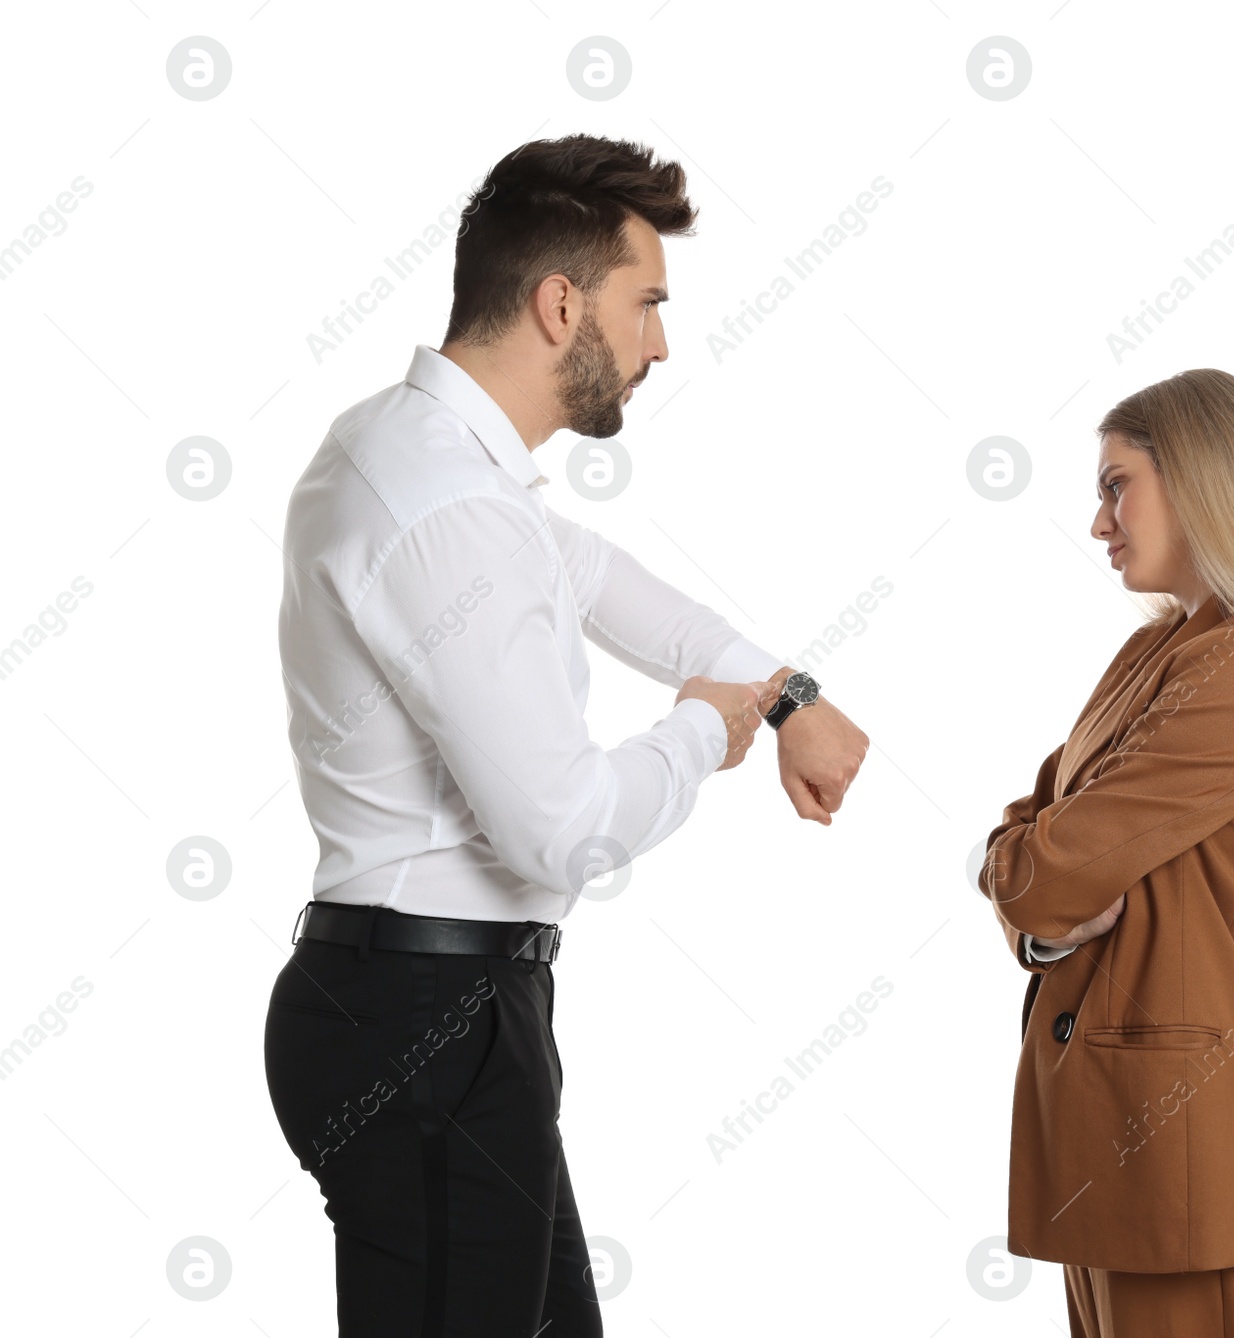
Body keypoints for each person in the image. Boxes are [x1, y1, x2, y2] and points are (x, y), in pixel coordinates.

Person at [264, 133, 869, 1336]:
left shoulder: (419, 455)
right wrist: (706, 729)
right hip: (428, 1021)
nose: (658, 344)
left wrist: (786, 692)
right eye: (644, 304)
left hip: (437, 1010)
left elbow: (601, 581)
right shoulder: (450, 514)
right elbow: (561, 833)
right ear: (558, 305)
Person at [977, 368, 1234, 1337]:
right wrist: (1039, 905)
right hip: (1115, 1115)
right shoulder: (1161, 651)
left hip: (1181, 1123)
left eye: (1115, 485)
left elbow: (1048, 862)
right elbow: (1033, 830)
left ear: (1201, 481)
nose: (1099, 521)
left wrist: (1032, 877)